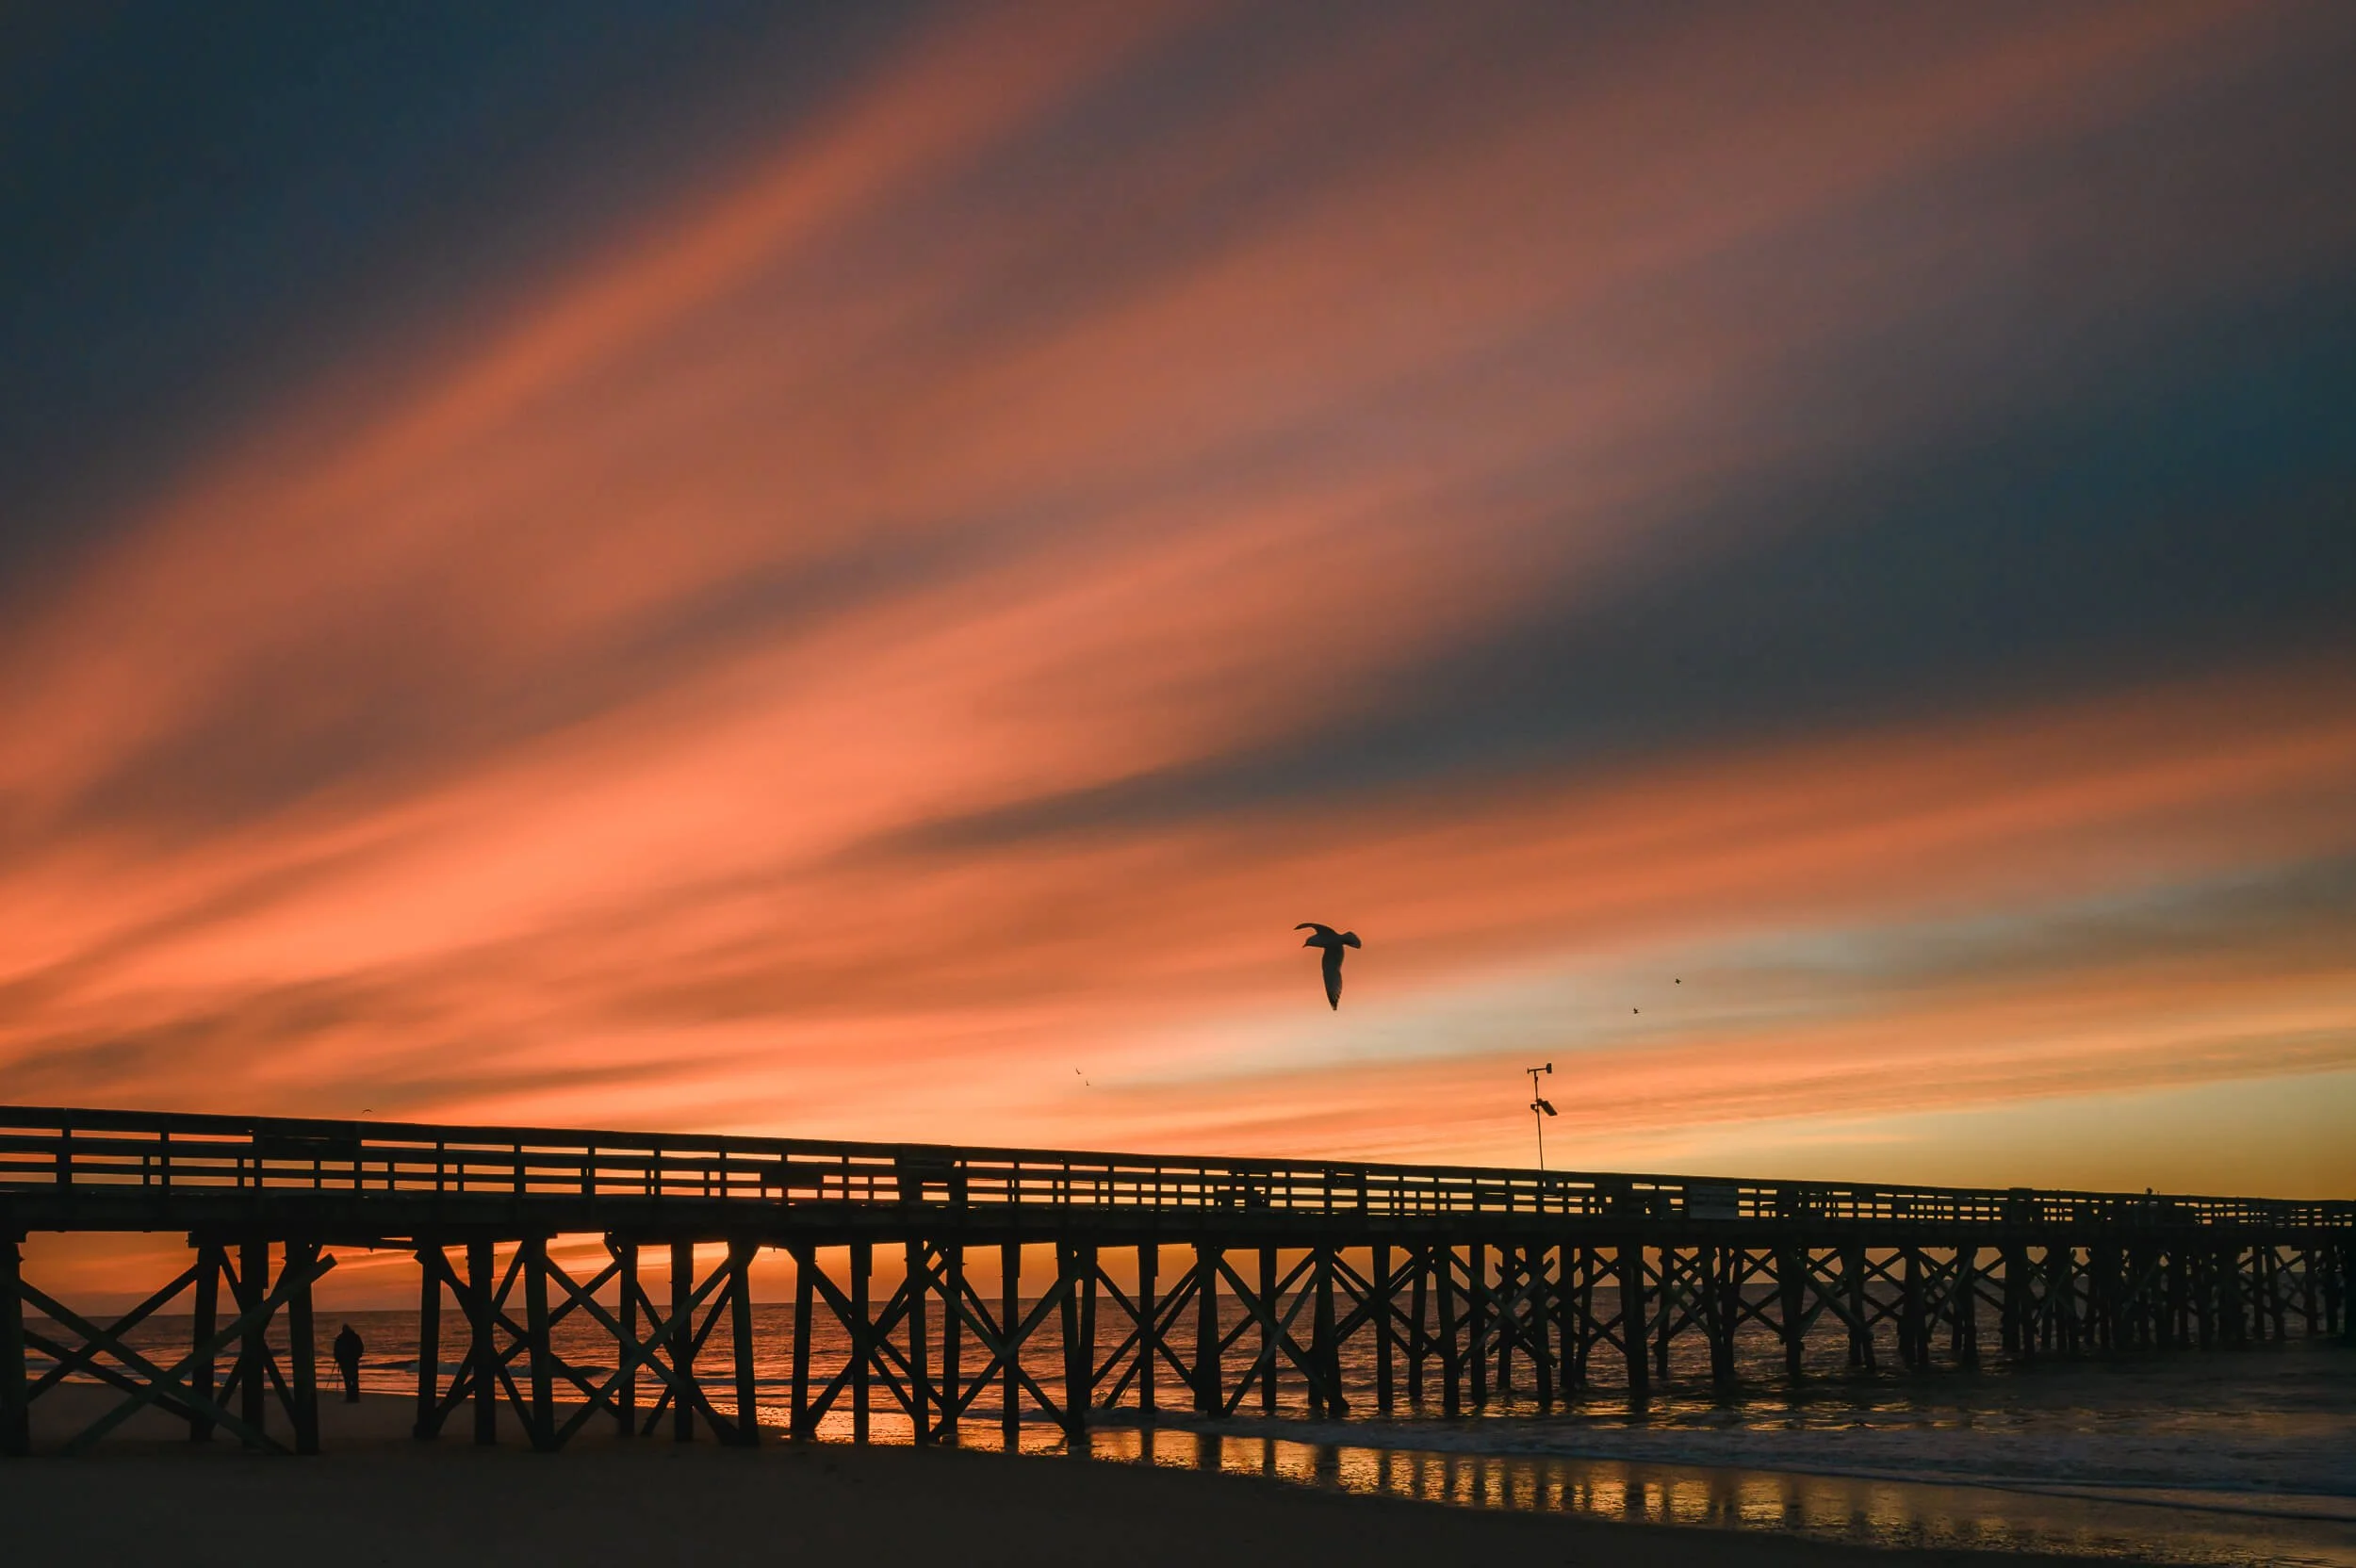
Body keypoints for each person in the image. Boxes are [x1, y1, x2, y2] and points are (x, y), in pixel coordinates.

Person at [333, 1322, 364, 1403]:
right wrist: (358, 1355)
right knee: (353, 1379)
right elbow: (361, 1347)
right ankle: (354, 1397)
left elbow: (336, 1350)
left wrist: (338, 1358)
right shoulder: (355, 1337)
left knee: (348, 1380)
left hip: (346, 1362)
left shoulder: (341, 1338)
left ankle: (350, 1397)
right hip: (351, 1361)